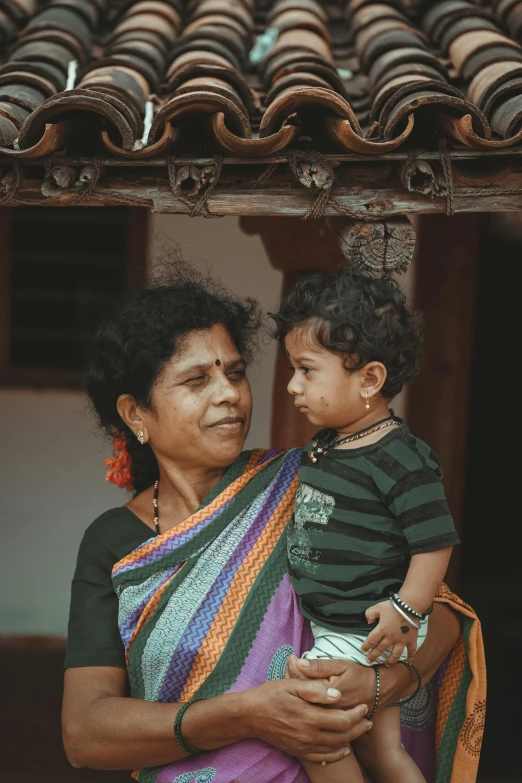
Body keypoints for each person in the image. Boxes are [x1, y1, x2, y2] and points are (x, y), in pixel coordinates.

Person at [62, 264, 483, 783]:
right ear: (135, 414)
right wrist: (248, 713)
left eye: (235, 373)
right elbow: (85, 731)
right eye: (197, 380)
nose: (229, 394)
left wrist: (378, 686)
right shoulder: (113, 542)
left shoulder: (310, 480)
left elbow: (435, 616)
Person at [270, 268, 468, 783]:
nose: (292, 385)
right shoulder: (326, 444)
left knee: (318, 735)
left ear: (370, 379)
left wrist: (407, 609)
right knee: (383, 751)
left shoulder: (403, 458)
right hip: (339, 625)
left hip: (368, 629)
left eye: (307, 370)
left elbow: (434, 542)